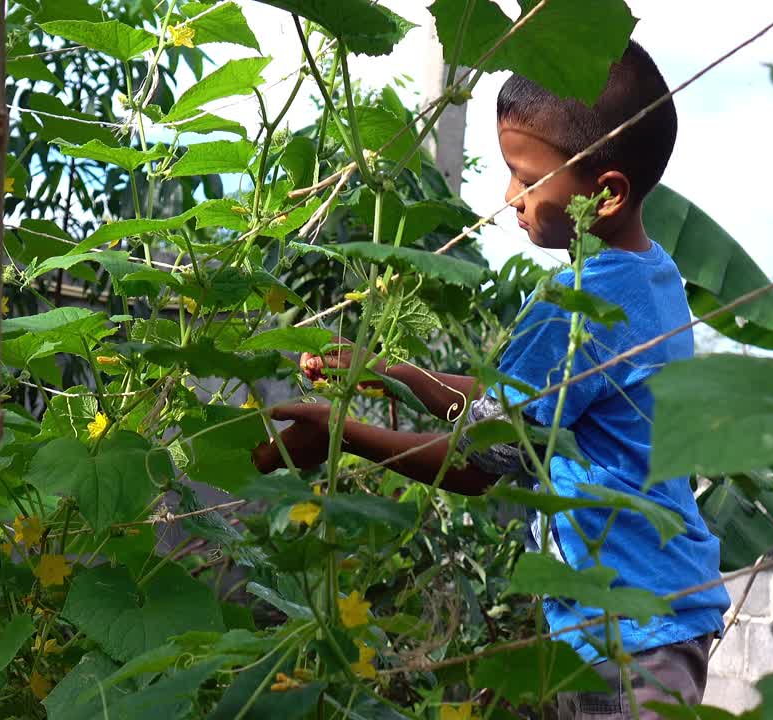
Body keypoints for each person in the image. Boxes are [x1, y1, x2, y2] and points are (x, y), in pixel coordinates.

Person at [252, 40, 730, 718]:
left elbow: (480, 463)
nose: (509, 199)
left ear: (607, 192)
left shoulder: (575, 310)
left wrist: (339, 432)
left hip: (631, 634)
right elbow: (511, 408)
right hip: (647, 611)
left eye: (527, 178)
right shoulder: (651, 277)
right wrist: (389, 374)